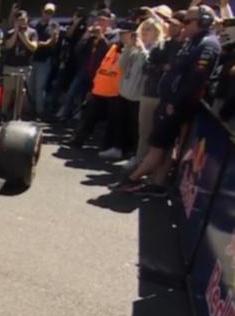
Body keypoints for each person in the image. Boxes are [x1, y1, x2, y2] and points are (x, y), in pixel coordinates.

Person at [113, 5, 222, 196]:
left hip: (176, 105)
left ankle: (131, 180)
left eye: (188, 22)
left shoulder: (207, 45)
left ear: (203, 22)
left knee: (157, 144)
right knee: (163, 145)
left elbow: (195, 81)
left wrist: (175, 103)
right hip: (168, 101)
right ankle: (157, 183)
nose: (184, 26)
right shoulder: (192, 41)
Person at [101, 19, 162, 161]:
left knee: (136, 127)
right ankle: (117, 148)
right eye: (144, 28)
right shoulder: (135, 47)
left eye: (149, 29)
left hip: (140, 94)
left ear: (156, 32)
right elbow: (120, 66)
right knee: (119, 121)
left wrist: (141, 49)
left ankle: (135, 154)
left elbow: (145, 66)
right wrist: (129, 47)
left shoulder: (156, 48)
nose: (145, 32)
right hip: (125, 90)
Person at [56, 9, 113, 122]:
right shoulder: (90, 35)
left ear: (108, 23)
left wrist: (101, 37)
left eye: (103, 21)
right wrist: (86, 35)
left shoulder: (112, 35)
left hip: (98, 73)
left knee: (89, 98)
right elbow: (77, 50)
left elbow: (108, 51)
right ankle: (65, 114)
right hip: (83, 70)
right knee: (71, 93)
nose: (100, 23)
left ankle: (82, 116)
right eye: (99, 20)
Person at [67, 40, 122, 151]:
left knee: (113, 122)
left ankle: (107, 146)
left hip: (115, 92)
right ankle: (78, 139)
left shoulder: (130, 51)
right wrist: (93, 87)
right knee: (88, 117)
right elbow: (100, 67)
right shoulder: (112, 48)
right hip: (99, 89)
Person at [1, 9, 37, 119]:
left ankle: (17, 115)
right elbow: (8, 46)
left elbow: (33, 47)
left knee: (21, 92)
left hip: (24, 66)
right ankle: (3, 114)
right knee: (7, 91)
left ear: (27, 20)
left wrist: (23, 37)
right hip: (10, 66)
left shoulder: (32, 32)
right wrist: (16, 32)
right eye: (19, 20)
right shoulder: (10, 32)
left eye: (23, 19)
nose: (22, 22)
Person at [28, 2, 59, 118]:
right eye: (46, 12)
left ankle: (39, 112)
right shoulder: (34, 24)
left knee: (40, 87)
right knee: (30, 87)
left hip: (45, 60)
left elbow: (52, 42)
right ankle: (29, 110)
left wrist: (39, 44)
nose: (48, 14)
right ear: (42, 11)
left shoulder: (54, 26)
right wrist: (38, 44)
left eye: (51, 13)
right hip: (32, 59)